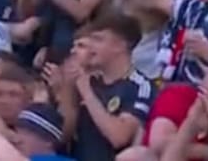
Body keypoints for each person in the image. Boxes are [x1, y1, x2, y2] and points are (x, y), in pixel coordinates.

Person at [57, 13, 155, 161]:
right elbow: (62, 135)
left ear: (121, 46)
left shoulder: (139, 87)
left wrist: (86, 92)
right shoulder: (89, 80)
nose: (90, 47)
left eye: (98, 39)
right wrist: (68, 88)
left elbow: (119, 137)